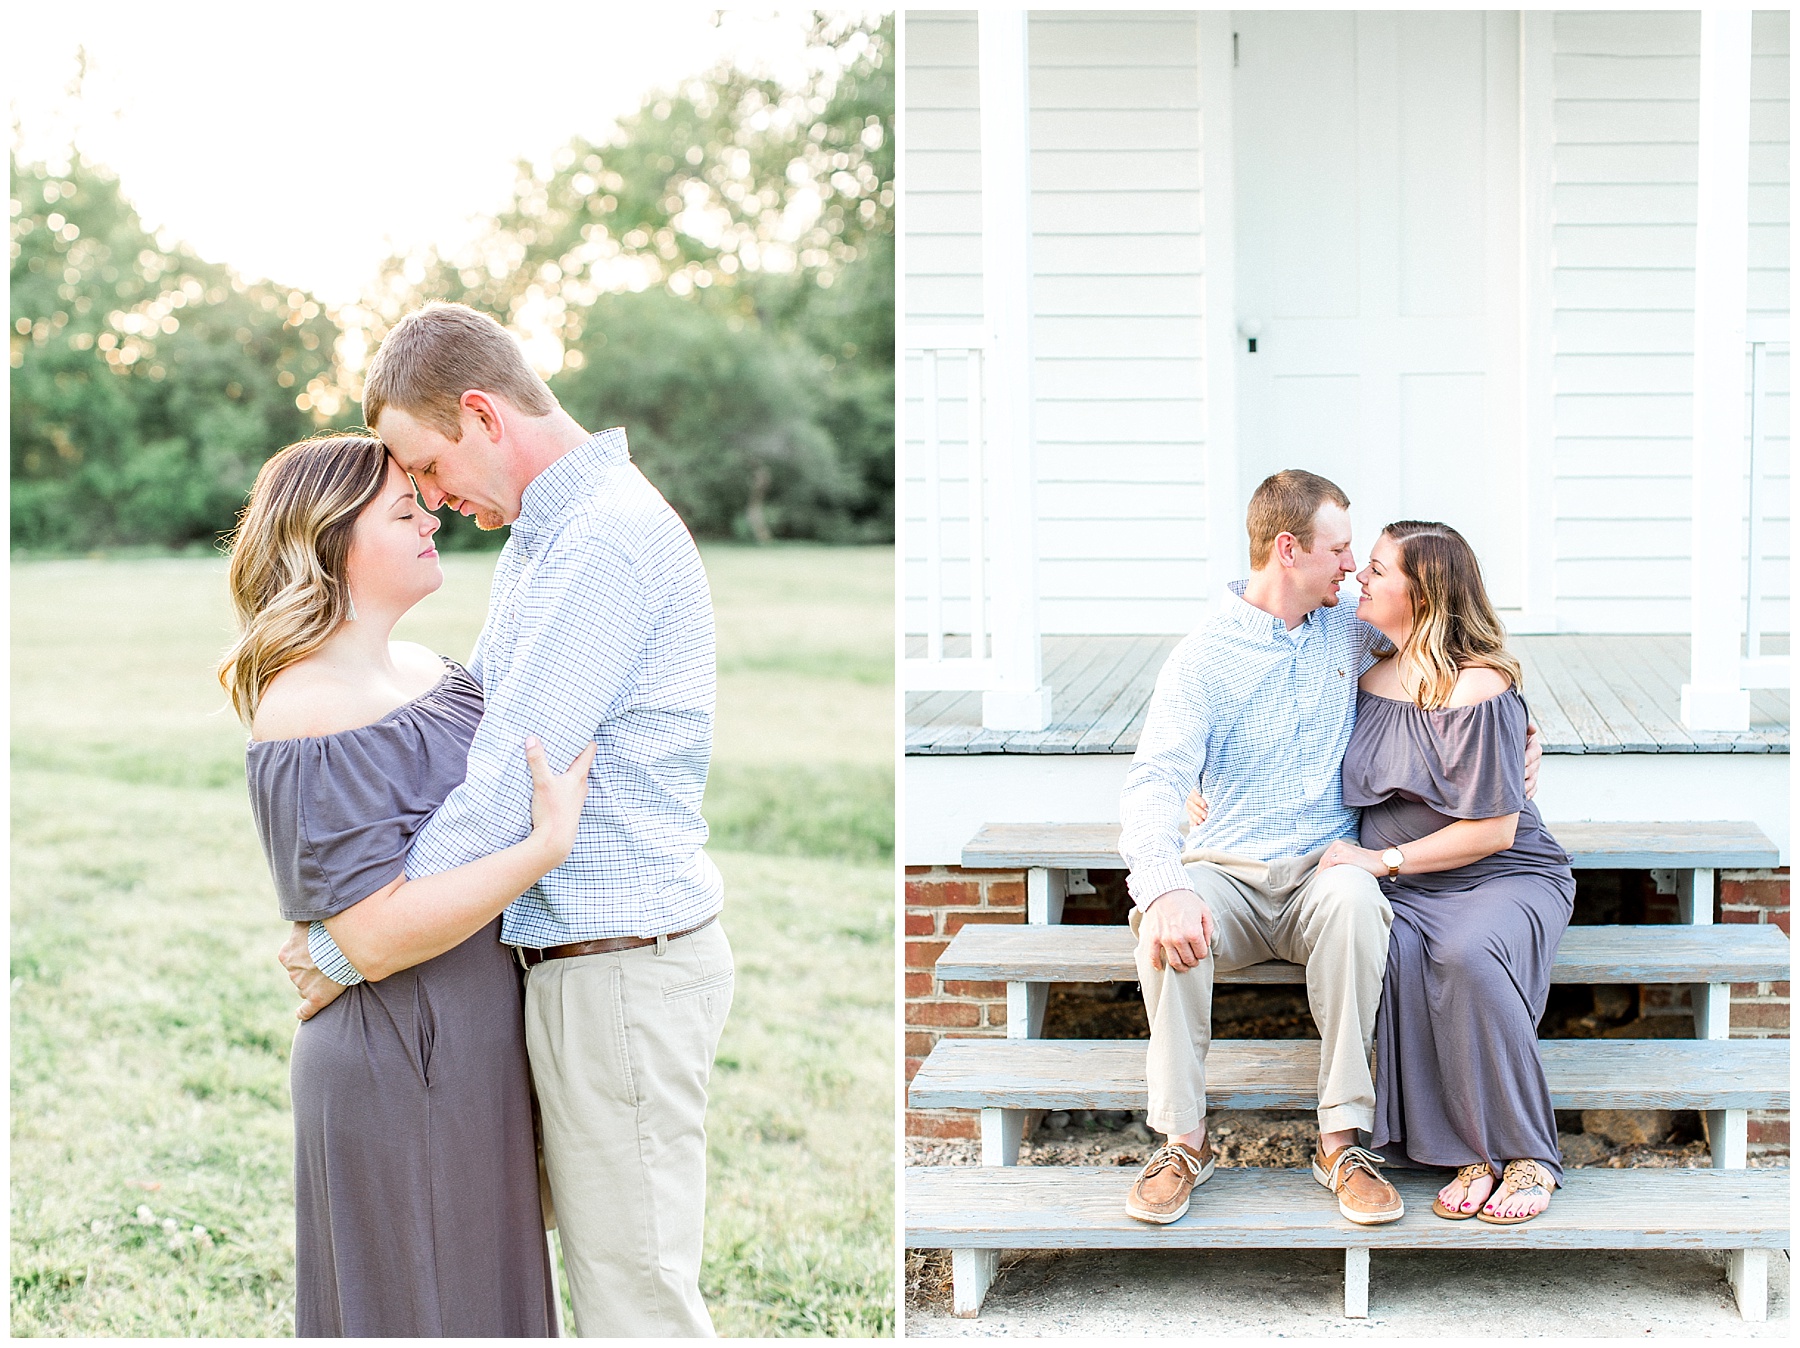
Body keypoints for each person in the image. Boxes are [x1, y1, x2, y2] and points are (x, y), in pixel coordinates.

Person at [279, 302, 732, 1337]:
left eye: (428, 465)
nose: (431, 497)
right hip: (569, 968)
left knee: (636, 1306)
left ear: (482, 415)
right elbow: (475, 722)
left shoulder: (604, 542)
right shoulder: (550, 535)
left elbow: (502, 786)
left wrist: (355, 943)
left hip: (619, 973)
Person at [220, 435, 596, 1336]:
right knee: (423, 1306)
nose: (432, 520)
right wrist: (544, 847)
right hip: (398, 1055)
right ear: (334, 543)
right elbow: (372, 935)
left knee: (485, 1301)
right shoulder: (305, 706)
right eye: (403, 511)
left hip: (481, 1039)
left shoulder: (432, 669)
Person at [1117, 470, 1542, 1229]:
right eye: (1341, 550)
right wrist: (1162, 884)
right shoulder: (1202, 658)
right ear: (1289, 550)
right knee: (1162, 925)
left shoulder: (1348, 626)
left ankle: (1341, 1143)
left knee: (1355, 902)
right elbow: (1153, 780)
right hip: (1227, 870)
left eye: (1360, 557)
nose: (1352, 567)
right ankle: (1183, 1143)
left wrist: (1526, 734)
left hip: (1324, 868)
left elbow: (1452, 644)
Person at [1331, 520, 1574, 1225]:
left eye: (1378, 569)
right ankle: (1471, 1149)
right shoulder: (1366, 675)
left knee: (1467, 953)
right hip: (1406, 889)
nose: (1360, 575)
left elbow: (1495, 830)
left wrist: (1382, 861)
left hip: (1499, 875)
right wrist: (1204, 786)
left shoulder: (1479, 687)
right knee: (1398, 954)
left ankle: (1526, 1151)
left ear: (1425, 592)